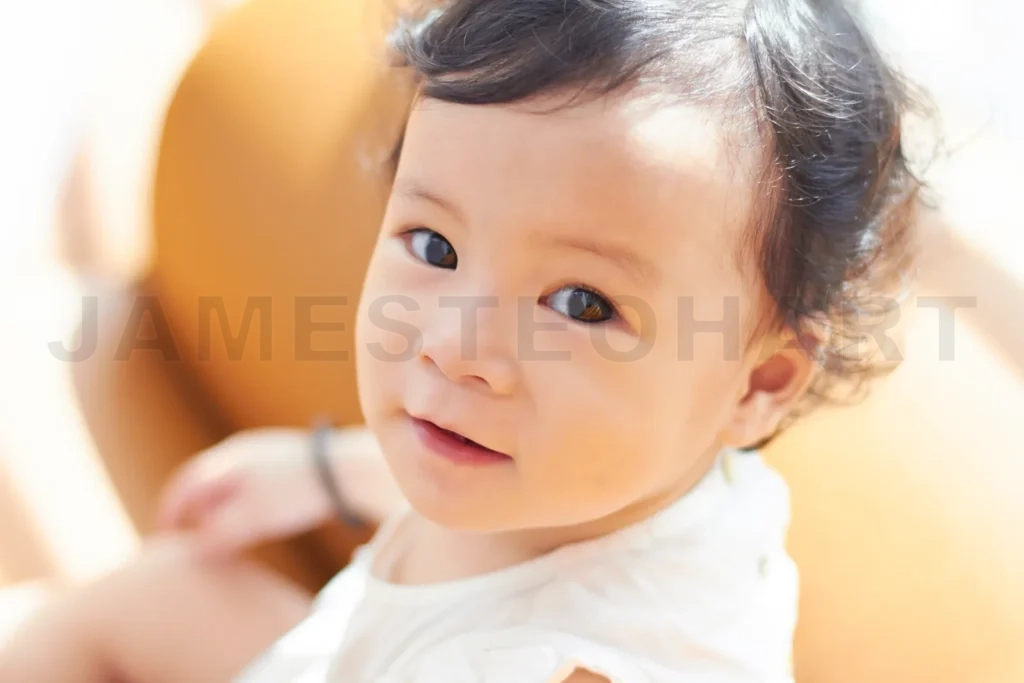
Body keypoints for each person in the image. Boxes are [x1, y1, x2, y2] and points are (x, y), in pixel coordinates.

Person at [0, 0, 924, 680]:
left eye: (579, 303)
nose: (452, 345)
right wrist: (320, 469)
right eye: (435, 246)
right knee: (165, 594)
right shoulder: (606, 465)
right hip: (349, 649)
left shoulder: (583, 664)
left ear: (757, 382)